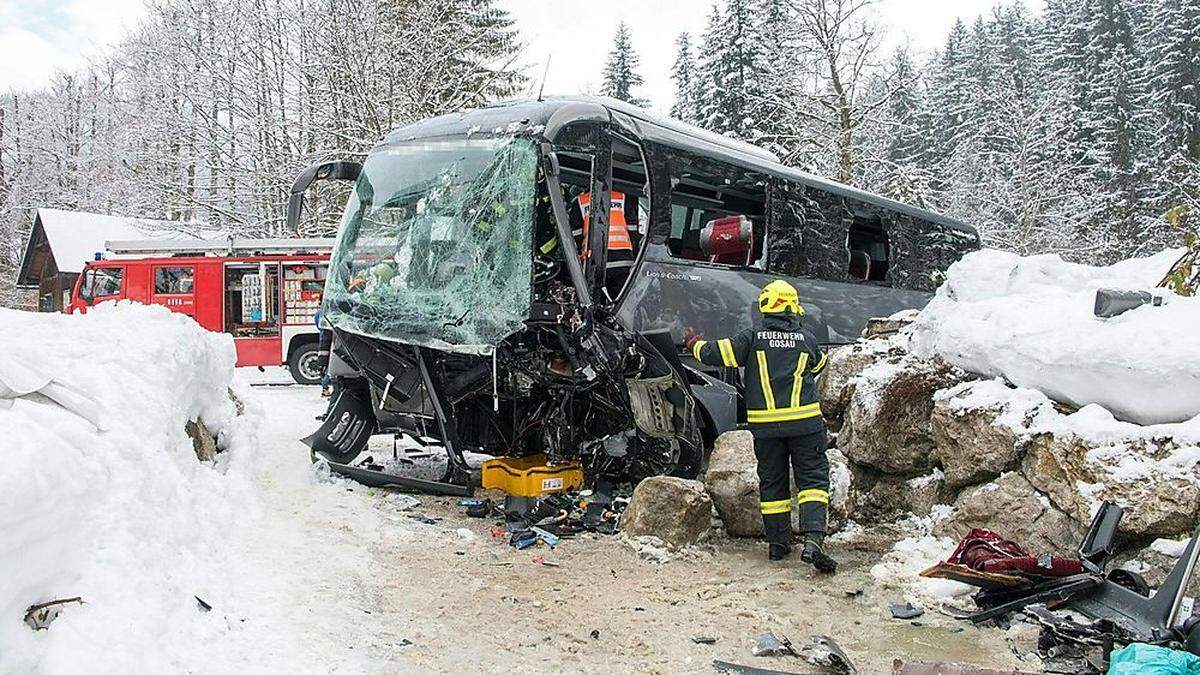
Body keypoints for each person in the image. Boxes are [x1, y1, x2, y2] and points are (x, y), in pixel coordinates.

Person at [683, 280, 836, 573]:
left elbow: (714, 353)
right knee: (813, 482)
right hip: (805, 425)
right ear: (793, 306)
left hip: (766, 428)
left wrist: (692, 342)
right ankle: (813, 540)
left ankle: (778, 546)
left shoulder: (751, 338)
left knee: (773, 482)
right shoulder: (806, 338)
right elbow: (818, 365)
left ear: (766, 307)